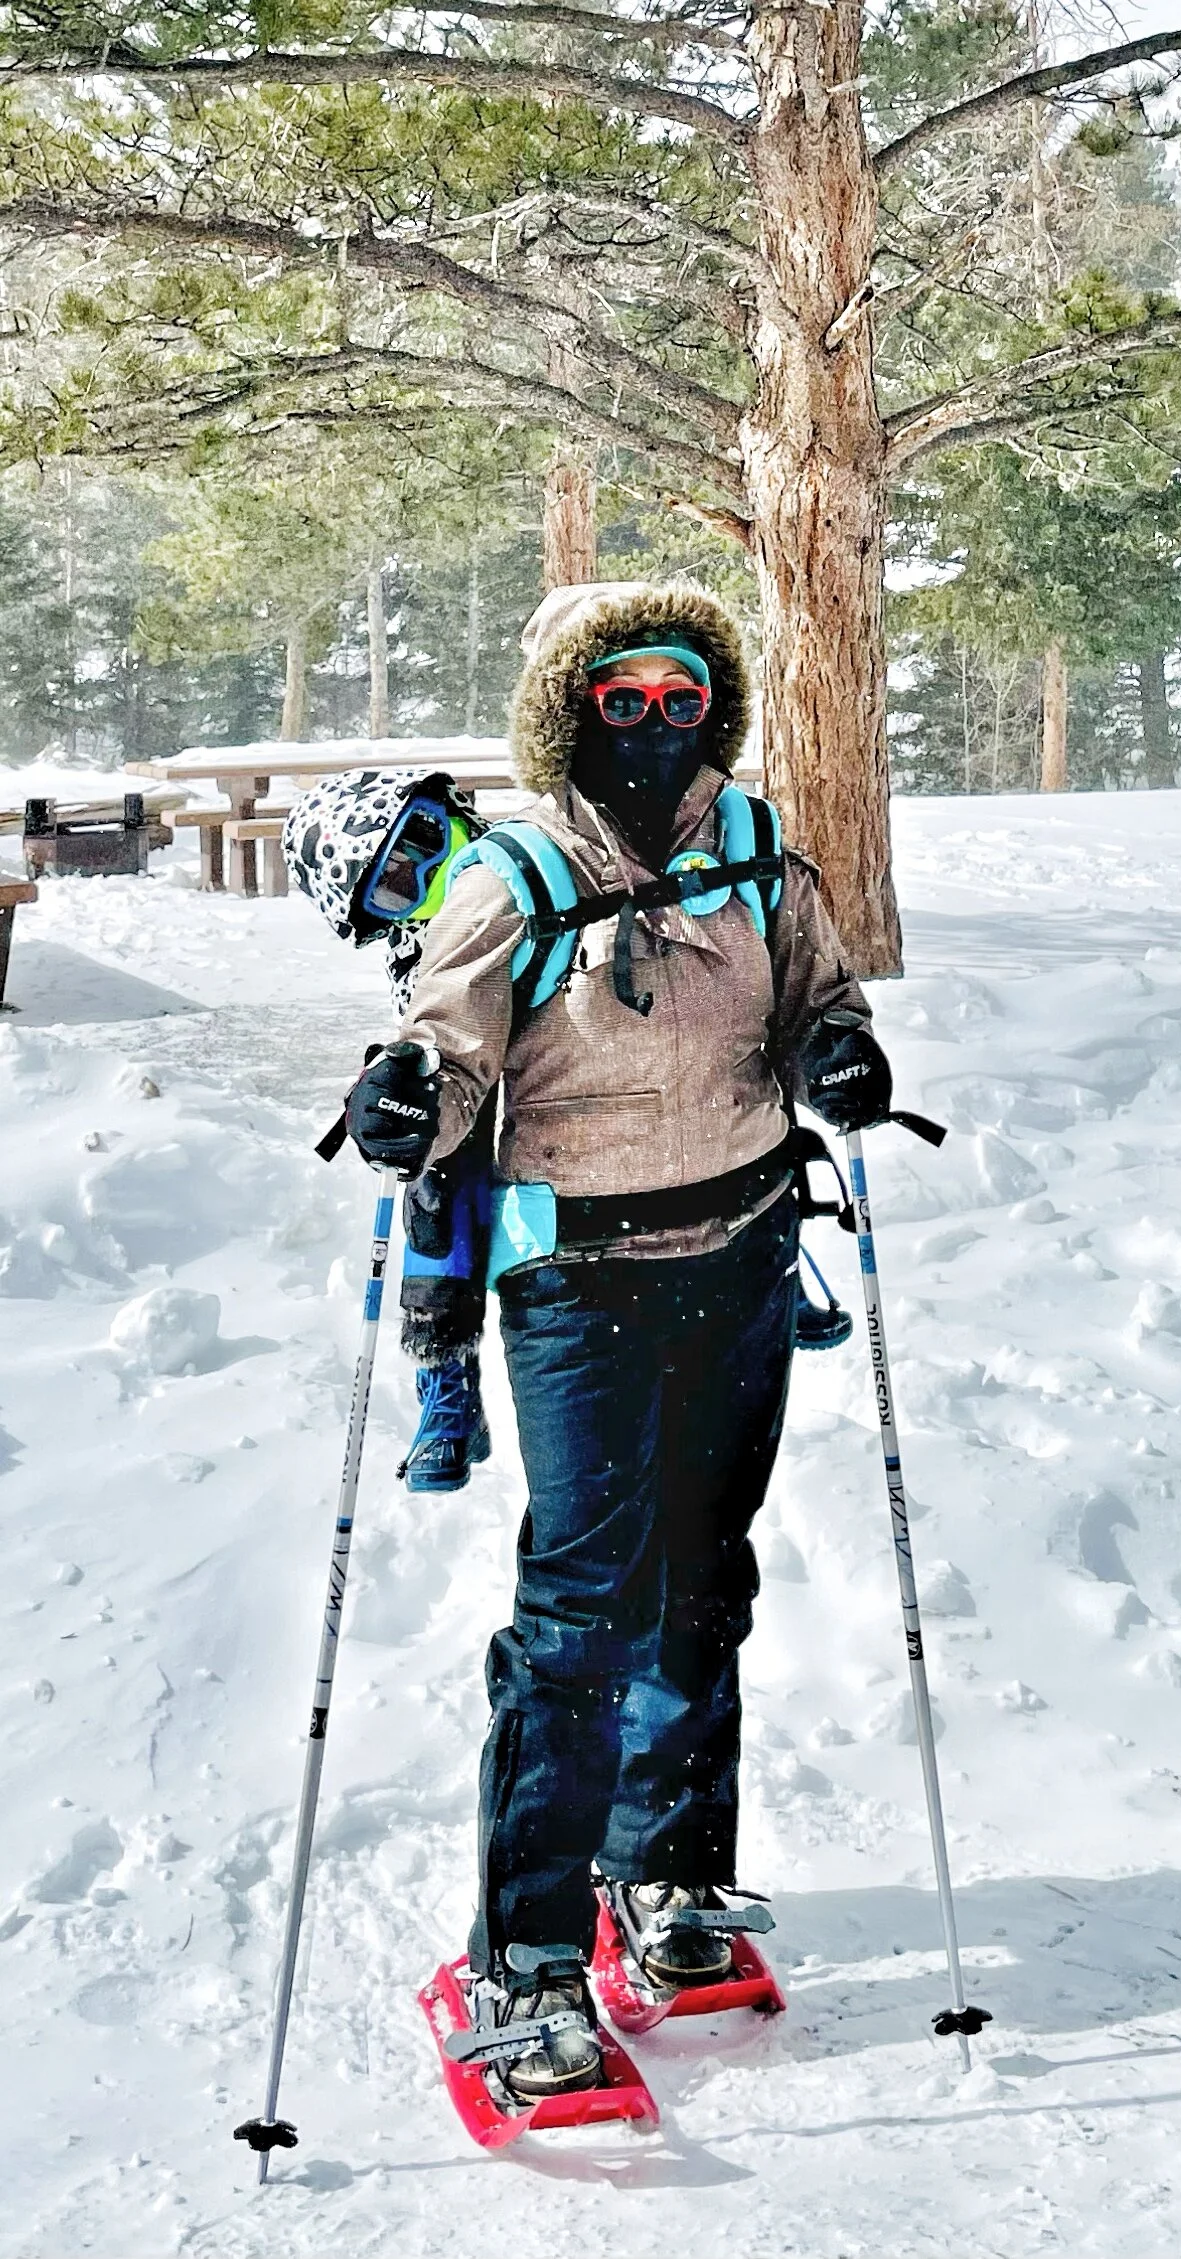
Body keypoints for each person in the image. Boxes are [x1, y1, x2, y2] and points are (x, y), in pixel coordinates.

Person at [342, 579, 895, 2102]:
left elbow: (821, 998)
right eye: (621, 697)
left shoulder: (757, 850)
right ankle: (525, 1951)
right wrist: (405, 1096)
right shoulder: (510, 875)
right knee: (582, 1606)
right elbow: (446, 1048)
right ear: (569, 712)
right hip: (580, 1284)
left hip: (744, 1252)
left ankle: (662, 1873)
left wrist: (839, 1053)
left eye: (680, 696)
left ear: (714, 708)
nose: (654, 722)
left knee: (702, 1579)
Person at [283, 769, 495, 1492]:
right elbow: (432, 1041)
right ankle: (446, 1376)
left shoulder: (538, 857)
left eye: (427, 840)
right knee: (439, 1192)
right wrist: (401, 1094)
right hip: (483, 1095)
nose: (432, 875)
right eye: (402, 887)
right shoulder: (420, 949)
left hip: (597, 1074)